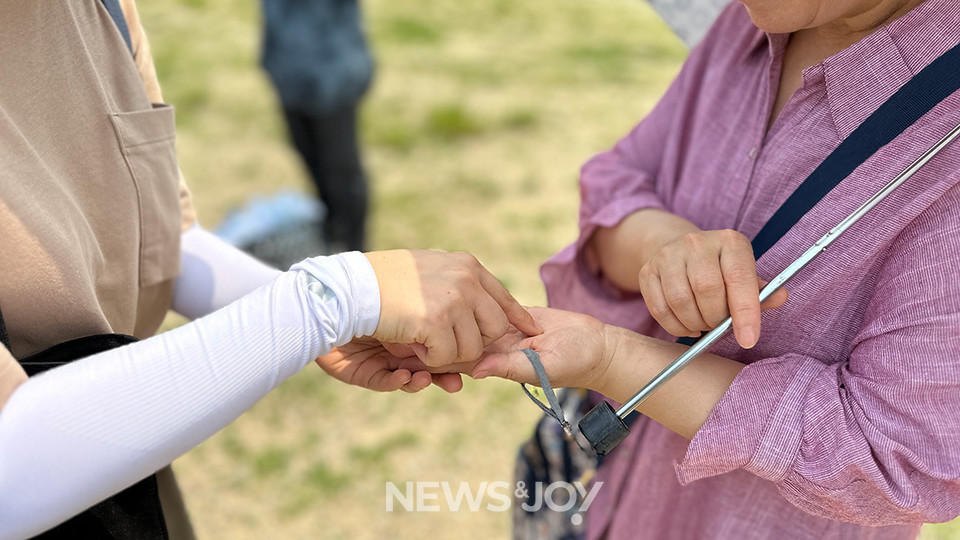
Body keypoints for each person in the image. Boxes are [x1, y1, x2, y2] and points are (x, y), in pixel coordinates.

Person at [330, 0, 960, 538]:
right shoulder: (750, 26)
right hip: (601, 496)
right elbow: (617, 179)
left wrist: (614, 359)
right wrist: (665, 246)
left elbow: (894, 454)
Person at [0, 2, 540, 538]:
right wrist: (331, 301)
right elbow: (10, 472)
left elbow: (165, 242)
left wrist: (342, 319)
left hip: (128, 463)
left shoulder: (101, 9)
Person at [260, 0, 374, 253]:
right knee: (307, 154)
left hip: (332, 72)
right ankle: (330, 231)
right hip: (286, 68)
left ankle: (356, 252)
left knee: (341, 173)